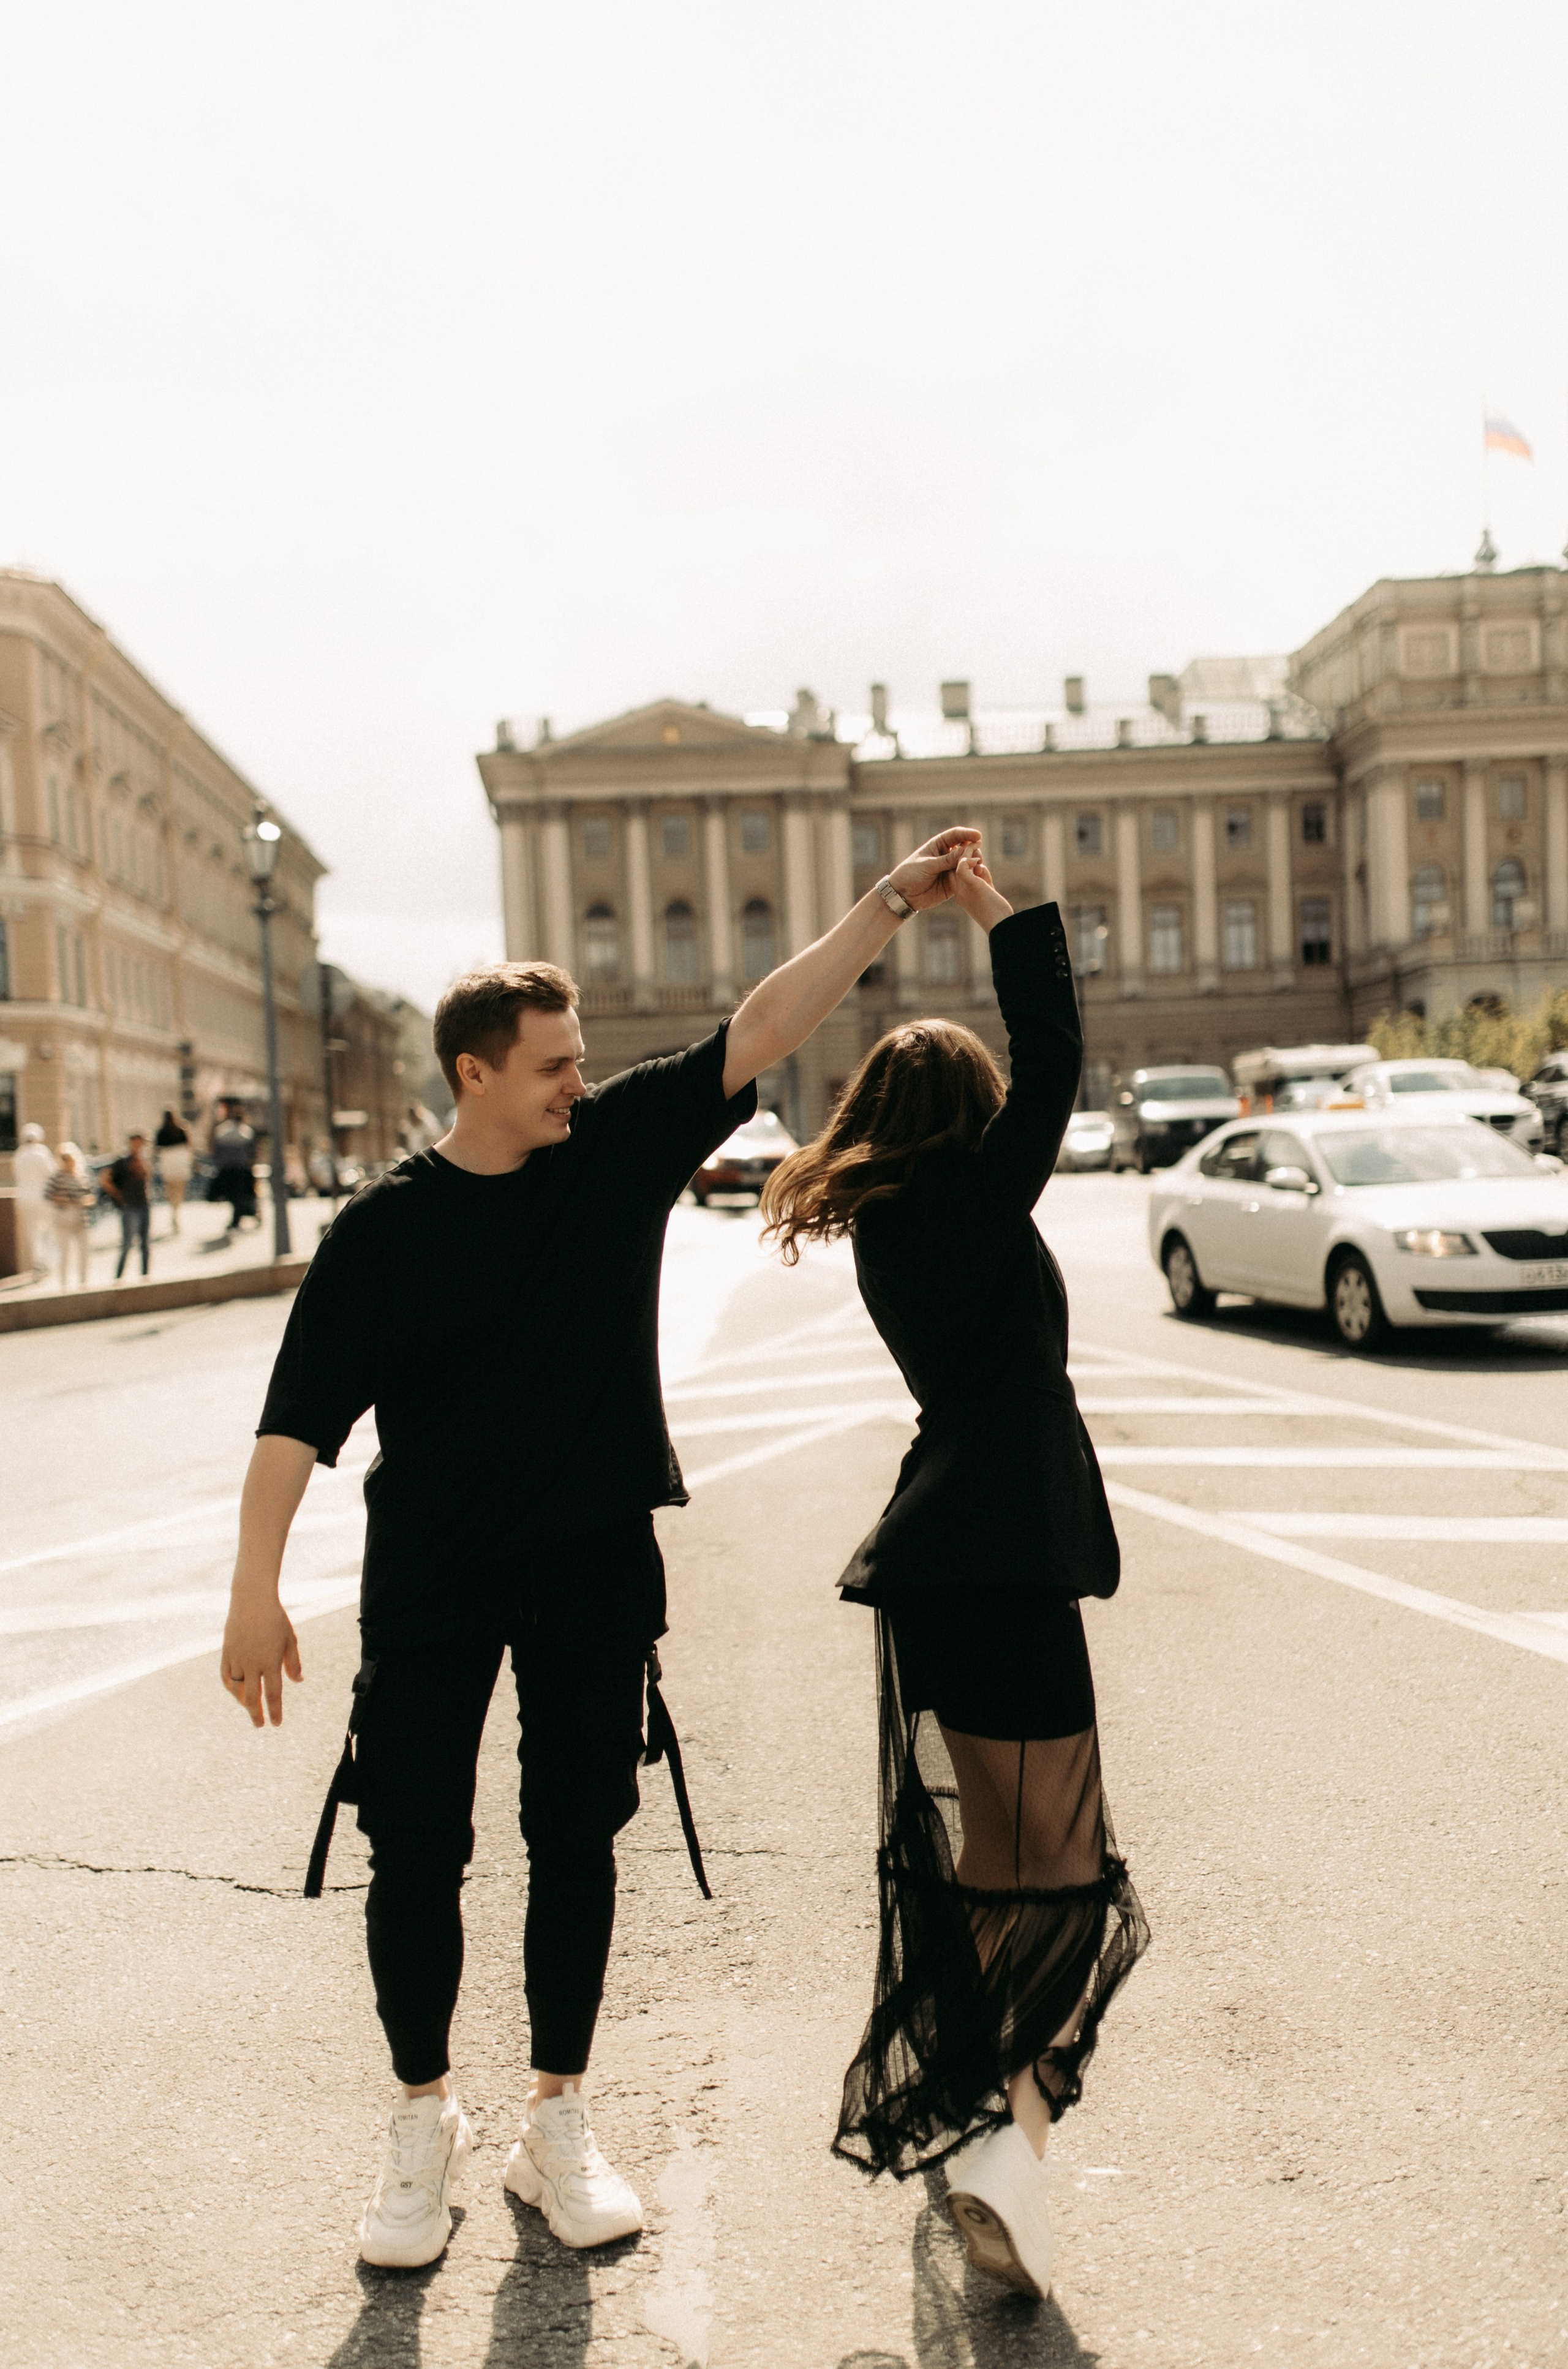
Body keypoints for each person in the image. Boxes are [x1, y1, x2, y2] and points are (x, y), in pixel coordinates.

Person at [218, 826, 981, 2274]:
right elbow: (294, 1423)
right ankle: (419, 2120)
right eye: (554, 1061)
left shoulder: (610, 1152)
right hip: (432, 1577)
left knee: (578, 1843)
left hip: (588, 1561)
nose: (581, 1078)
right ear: (475, 1073)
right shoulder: (380, 1233)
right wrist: (252, 1588)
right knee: (415, 1852)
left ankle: (553, 2122)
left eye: (579, 1058)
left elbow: (760, 1022)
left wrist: (887, 901)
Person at [760, 852, 1148, 2303]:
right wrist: (990, 910)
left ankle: (985, 2118)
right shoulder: (976, 1202)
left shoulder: (891, 1221)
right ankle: (998, 2143)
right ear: (976, 1116)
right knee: (1061, 1866)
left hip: (949, 1557)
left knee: (998, 1856)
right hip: (999, 1553)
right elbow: (1055, 1046)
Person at [45, 1142, 96, 1290]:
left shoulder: (82, 1176)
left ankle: (83, 1282)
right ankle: (64, 1284)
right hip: (64, 1218)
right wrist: (68, 1201)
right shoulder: (57, 1177)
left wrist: (82, 1202)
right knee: (65, 1252)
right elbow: (49, 1195)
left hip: (81, 1219)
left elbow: (91, 1197)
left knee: (84, 1252)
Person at [104, 1132, 153, 1278]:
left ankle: (145, 1276)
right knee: (127, 1244)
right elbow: (105, 1179)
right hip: (130, 1206)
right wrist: (118, 1195)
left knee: (145, 1244)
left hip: (144, 1204)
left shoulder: (144, 1160)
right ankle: (119, 1277)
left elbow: (147, 1179)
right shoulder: (122, 1162)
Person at [12, 1120, 55, 1276]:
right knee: (48, 1230)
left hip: (25, 1198)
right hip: (42, 1197)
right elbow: (51, 1174)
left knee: (33, 1232)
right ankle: (46, 1262)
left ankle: (38, 1262)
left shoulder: (19, 1155)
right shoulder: (42, 1153)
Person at [209, 1099, 259, 1232]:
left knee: (232, 1195)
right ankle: (238, 1218)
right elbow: (252, 1152)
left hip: (226, 1168)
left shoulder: (223, 1131)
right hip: (240, 1168)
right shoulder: (246, 1132)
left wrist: (218, 1164)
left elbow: (216, 1151)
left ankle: (236, 1219)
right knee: (239, 1194)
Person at [154, 1109, 192, 1232]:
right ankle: (176, 1211)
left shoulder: (161, 1131)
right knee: (180, 1188)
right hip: (180, 1159)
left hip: (168, 1160)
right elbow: (189, 1144)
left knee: (171, 1188)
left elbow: (156, 1149)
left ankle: (174, 1211)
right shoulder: (181, 1129)